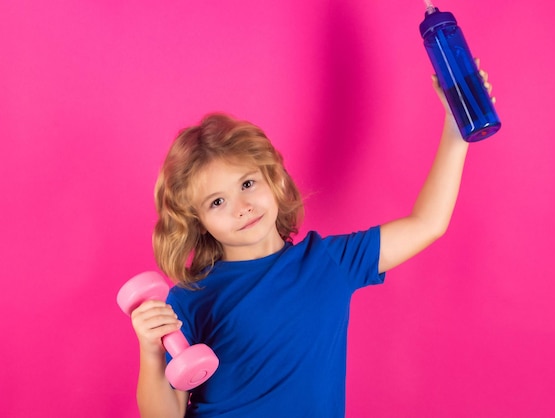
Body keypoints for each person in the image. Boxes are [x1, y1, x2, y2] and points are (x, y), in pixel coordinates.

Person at [130, 68, 494, 417]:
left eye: (247, 184)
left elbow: (427, 223)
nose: (241, 208)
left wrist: (456, 129)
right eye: (217, 202)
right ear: (199, 221)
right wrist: (150, 350)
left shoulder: (330, 262)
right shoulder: (192, 297)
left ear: (272, 178)